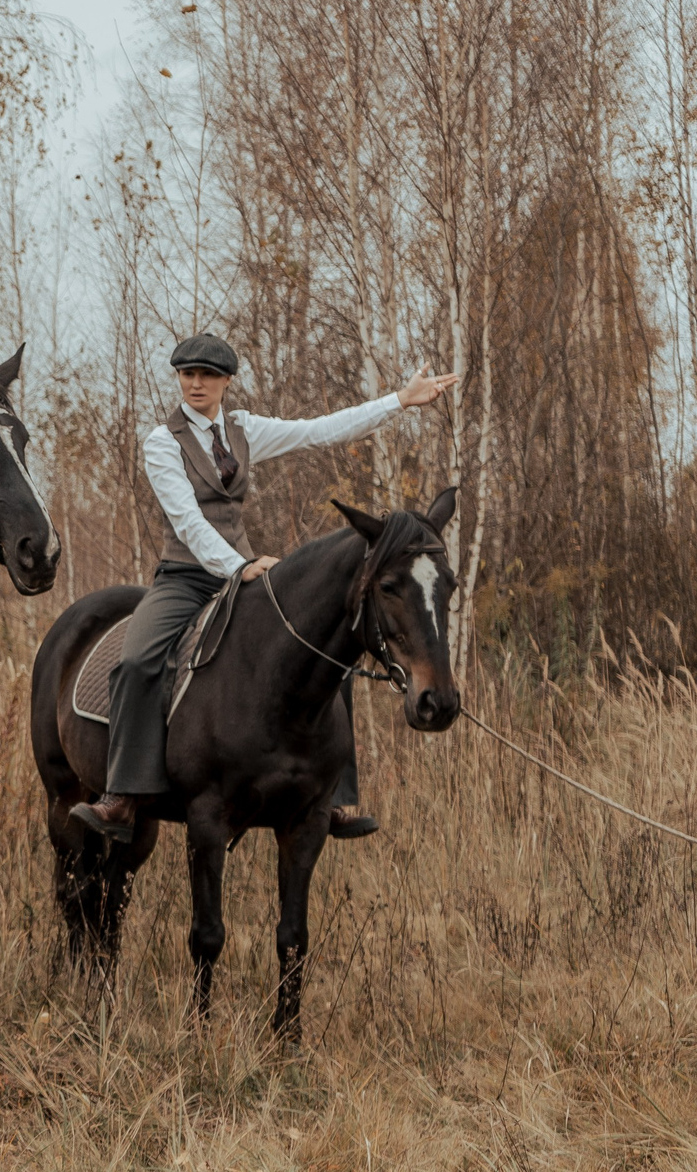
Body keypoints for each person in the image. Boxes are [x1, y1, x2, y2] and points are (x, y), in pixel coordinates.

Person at [72, 333, 458, 841]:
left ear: (226, 381)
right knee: (138, 659)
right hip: (187, 578)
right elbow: (187, 522)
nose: (195, 384)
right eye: (187, 375)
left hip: (246, 574)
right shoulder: (161, 442)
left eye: (207, 376)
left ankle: (334, 797)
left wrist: (399, 401)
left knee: (331, 646)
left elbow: (322, 430)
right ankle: (122, 796)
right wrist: (238, 565)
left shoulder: (244, 430)